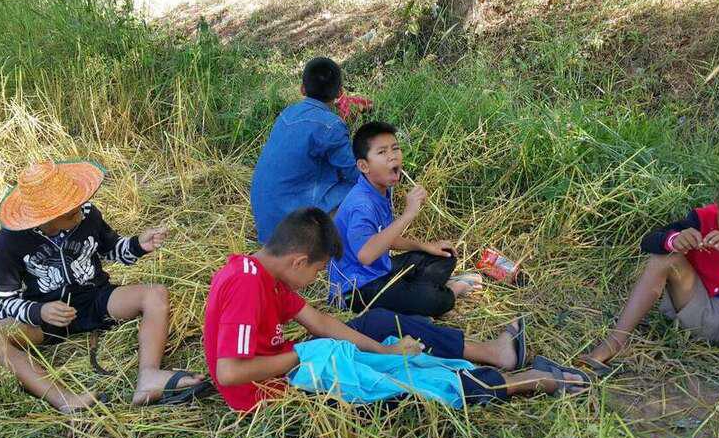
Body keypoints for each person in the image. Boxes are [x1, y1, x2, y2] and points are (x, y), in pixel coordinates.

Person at [204, 208, 588, 412]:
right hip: (270, 393)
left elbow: (319, 321)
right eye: (319, 271)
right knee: (400, 381)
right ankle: (521, 383)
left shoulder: (266, 275)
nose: (316, 278)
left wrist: (384, 348)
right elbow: (229, 372)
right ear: (298, 261)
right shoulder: (247, 284)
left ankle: (491, 355)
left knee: (377, 324)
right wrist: (299, 355)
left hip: (291, 365)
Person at [0, 160, 205, 413]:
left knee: (155, 294)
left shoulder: (88, 213)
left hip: (97, 299)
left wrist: (137, 245)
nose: (80, 213)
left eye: (79, 205)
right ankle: (64, 399)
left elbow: (111, 249)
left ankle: (149, 376)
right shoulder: (11, 240)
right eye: (70, 213)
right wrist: (38, 311)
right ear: (46, 218)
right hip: (47, 318)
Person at [580, 173, 719, 420]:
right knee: (664, 258)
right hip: (695, 310)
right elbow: (649, 241)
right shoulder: (702, 218)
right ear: (718, 205)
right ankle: (615, 342)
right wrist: (674, 240)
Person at [328, 121, 482, 317]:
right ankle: (450, 291)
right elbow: (366, 255)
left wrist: (425, 246)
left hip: (380, 269)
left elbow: (383, 237)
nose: (392, 156)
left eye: (395, 148)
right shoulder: (362, 205)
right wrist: (408, 214)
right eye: (382, 152)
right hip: (356, 289)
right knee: (436, 300)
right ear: (363, 166)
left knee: (445, 255)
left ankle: (418, 294)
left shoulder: (381, 189)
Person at [250, 57, 369, 244]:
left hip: (266, 223)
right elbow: (355, 172)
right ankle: (342, 241)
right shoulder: (331, 126)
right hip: (293, 230)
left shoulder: (287, 114)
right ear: (340, 92)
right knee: (367, 184)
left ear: (302, 89)